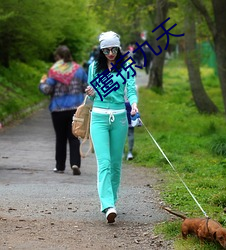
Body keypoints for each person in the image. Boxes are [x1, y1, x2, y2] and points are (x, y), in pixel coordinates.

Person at [85, 31, 139, 223]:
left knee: (116, 164)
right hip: (99, 118)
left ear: (118, 48)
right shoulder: (94, 67)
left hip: (120, 118)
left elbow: (131, 90)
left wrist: (133, 104)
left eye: (113, 49)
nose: (110, 53)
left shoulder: (127, 67)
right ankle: (107, 205)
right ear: (101, 50)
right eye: (106, 50)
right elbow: (91, 96)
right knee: (105, 163)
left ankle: (112, 201)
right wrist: (90, 91)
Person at [39, 45, 88, 175]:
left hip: (58, 109)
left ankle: (60, 166)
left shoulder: (54, 71)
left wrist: (42, 83)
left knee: (60, 138)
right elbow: (87, 87)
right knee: (74, 137)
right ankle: (75, 163)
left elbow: (47, 90)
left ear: (58, 57)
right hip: (75, 109)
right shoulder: (79, 70)